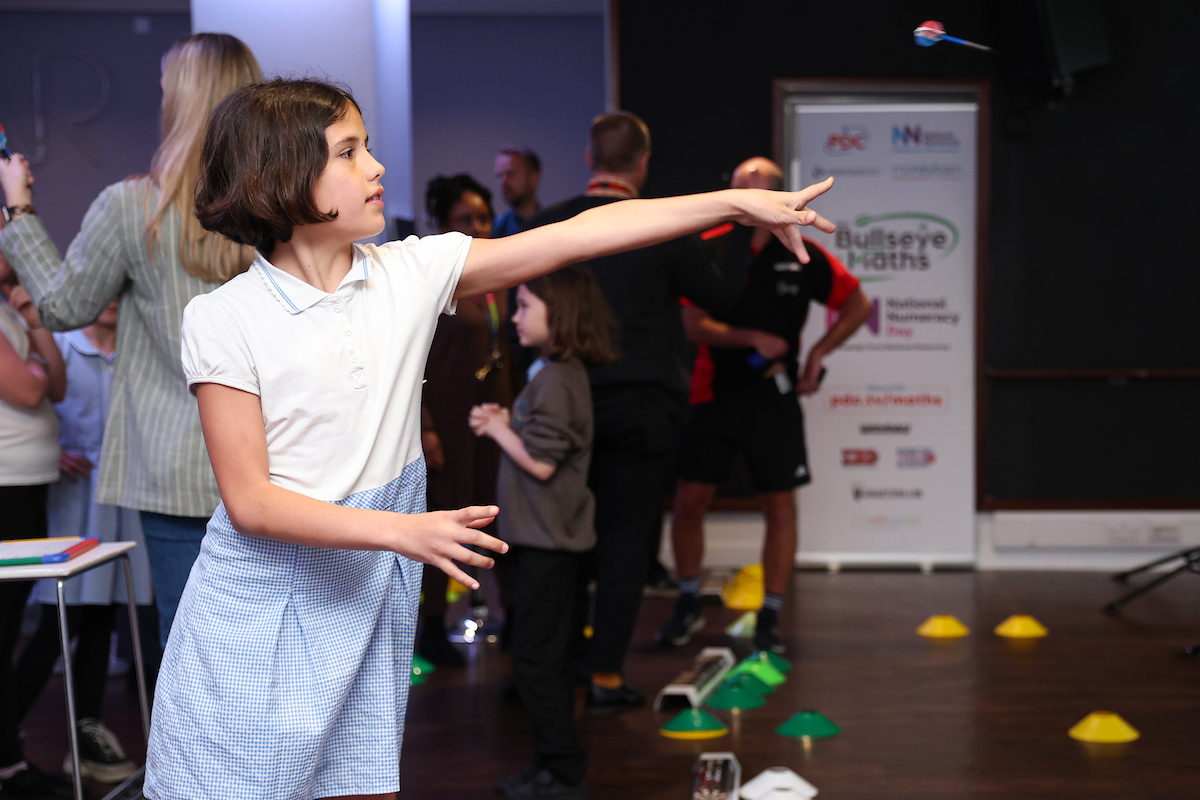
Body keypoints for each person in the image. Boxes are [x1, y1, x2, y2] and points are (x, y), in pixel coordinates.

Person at [138, 77, 832, 800]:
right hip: (264, 606)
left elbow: (574, 235)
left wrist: (733, 203)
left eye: (367, 147)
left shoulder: (408, 273)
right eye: (349, 152)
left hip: (363, 594)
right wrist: (404, 532)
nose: (375, 167)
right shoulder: (226, 317)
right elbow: (251, 502)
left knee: (361, 782)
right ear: (283, 178)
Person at [0, 33, 263, 650]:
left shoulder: (134, 205)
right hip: (276, 458)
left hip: (175, 463)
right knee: (262, 641)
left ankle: (194, 752)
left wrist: (18, 211)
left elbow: (63, 307)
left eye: (167, 89)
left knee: (188, 642)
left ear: (185, 102)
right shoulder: (280, 208)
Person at [524, 112, 790, 712]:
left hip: (563, 406)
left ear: (590, 158)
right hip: (640, 407)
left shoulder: (546, 223)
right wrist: (748, 233)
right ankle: (607, 678)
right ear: (643, 164)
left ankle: (552, 667)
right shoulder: (663, 228)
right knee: (623, 541)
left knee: (560, 543)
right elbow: (721, 297)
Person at [658, 157, 870, 654]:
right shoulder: (705, 250)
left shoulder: (803, 254)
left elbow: (858, 304)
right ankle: (688, 601)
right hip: (711, 395)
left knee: (779, 506)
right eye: (736, 189)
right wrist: (753, 337)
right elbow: (693, 325)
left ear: (779, 197)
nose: (745, 198)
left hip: (773, 399)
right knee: (690, 503)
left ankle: (771, 615)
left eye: (757, 189)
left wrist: (817, 353)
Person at [469, 267, 617, 800]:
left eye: (525, 305)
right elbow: (541, 434)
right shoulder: (551, 372)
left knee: (537, 662)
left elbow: (542, 463)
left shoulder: (556, 376)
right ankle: (549, 764)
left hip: (550, 544)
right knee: (541, 661)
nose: (514, 316)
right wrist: (507, 419)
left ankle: (567, 772)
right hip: (544, 540)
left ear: (561, 314)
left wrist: (498, 429)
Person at [13, 300, 153, 785]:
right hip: (74, 496)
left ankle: (86, 740)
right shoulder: (62, 346)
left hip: (123, 496)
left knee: (102, 620)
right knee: (56, 624)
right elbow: (35, 408)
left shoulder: (140, 346)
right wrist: (60, 451)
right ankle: (8, 734)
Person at [419, 174, 510, 667]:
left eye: (482, 218)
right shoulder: (430, 281)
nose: (477, 227)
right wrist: (427, 425)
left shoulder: (496, 277)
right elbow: (406, 365)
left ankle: (505, 614)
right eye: (464, 220)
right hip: (448, 420)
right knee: (445, 516)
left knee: (495, 510)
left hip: (490, 418)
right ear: (441, 225)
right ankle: (432, 625)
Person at [0, 230, 70, 799]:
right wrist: (39, 370)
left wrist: (34, 318)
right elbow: (27, 390)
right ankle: (8, 766)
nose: (10, 252)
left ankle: (9, 759)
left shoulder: (11, 311)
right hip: (5, 487)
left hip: (27, 484)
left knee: (7, 631)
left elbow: (58, 383)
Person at [493, 147, 542, 238]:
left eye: (511, 174)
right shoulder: (495, 230)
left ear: (533, 177)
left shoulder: (552, 225)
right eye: (500, 176)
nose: (503, 182)